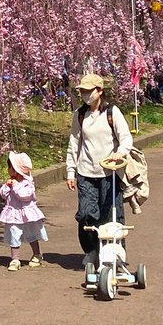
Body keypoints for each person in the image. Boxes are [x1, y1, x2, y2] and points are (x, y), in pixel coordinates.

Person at [66, 73, 133, 267]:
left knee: (111, 216)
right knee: (86, 215)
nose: (86, 95)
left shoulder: (112, 112)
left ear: (100, 91)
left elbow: (126, 138)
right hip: (86, 173)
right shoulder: (80, 115)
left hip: (110, 173)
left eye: (89, 91)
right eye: (83, 91)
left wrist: (120, 153)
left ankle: (115, 253)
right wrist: (70, 172)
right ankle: (91, 250)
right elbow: (74, 144)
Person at [0, 151, 47, 270]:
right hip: (13, 214)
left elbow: (24, 195)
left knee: (31, 234)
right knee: (14, 234)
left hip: (27, 214)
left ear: (16, 170)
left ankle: (37, 254)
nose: (8, 170)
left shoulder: (27, 184)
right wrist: (6, 186)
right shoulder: (11, 182)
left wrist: (15, 185)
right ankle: (15, 259)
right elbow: (3, 195)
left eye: (10, 167)